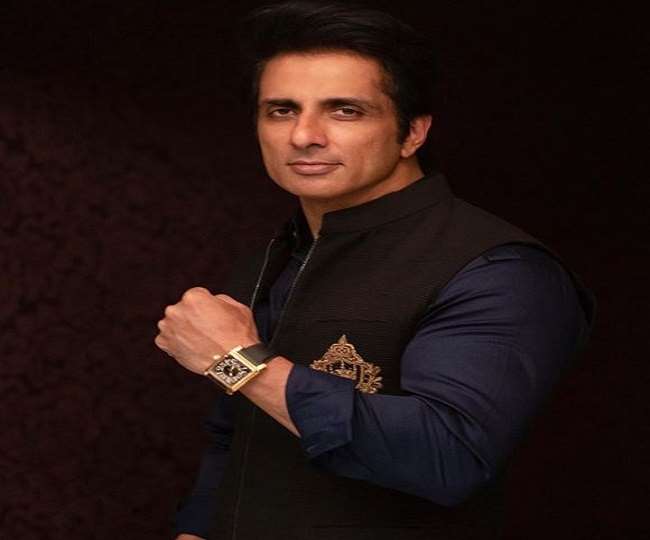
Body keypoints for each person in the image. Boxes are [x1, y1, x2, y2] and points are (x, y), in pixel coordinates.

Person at [154, 2, 596, 539]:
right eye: (282, 110)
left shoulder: (498, 270)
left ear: (412, 132)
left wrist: (239, 362)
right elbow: (237, 437)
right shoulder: (275, 255)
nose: (304, 135)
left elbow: (447, 457)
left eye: (345, 111)